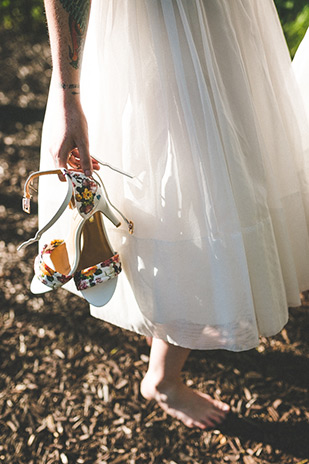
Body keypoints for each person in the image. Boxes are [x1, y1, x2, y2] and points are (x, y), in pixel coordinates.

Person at [38, 0, 309, 429]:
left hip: (226, 21)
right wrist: (67, 92)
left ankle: (164, 336)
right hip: (152, 28)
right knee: (195, 198)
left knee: (205, 190)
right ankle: (163, 379)